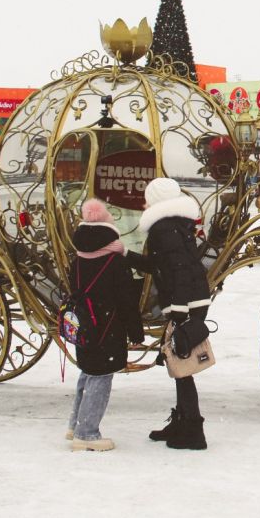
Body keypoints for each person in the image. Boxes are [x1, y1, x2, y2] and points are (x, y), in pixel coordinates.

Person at [128, 177, 212, 451]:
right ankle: (183, 422)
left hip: (185, 301)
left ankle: (193, 432)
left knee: (182, 365)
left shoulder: (163, 229)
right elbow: (163, 264)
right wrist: (127, 256)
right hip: (191, 299)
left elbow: (178, 269)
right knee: (180, 364)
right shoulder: (174, 225)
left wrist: (178, 310)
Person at [66, 198, 145, 452]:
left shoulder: (77, 259)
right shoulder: (115, 262)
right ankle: (87, 434)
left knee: (87, 372)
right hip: (108, 327)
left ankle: (75, 425)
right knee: (101, 377)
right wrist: (136, 332)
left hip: (85, 326)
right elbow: (127, 303)